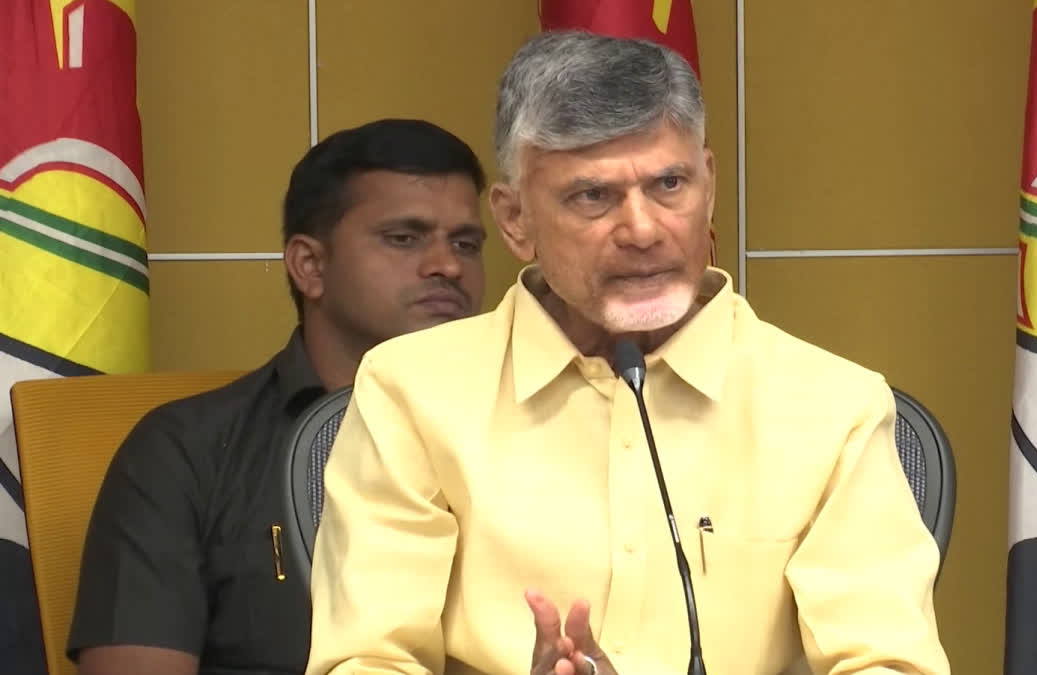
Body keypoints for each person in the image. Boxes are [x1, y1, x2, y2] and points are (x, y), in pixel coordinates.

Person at [305, 33, 951, 675]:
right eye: (592, 196)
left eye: (669, 183)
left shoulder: (833, 406)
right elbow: (367, 660)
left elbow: (889, 663)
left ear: (710, 185)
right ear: (514, 219)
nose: (642, 230)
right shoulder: (410, 392)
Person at [67, 118, 488, 675]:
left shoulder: (534, 435)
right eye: (403, 238)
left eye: (465, 243)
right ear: (310, 266)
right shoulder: (185, 452)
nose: (448, 265)